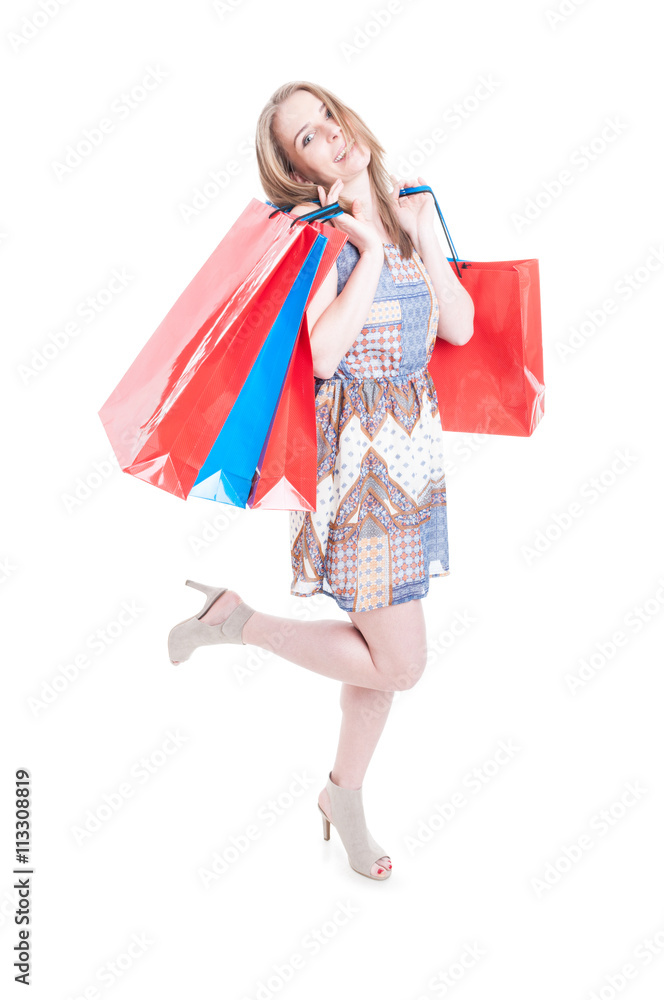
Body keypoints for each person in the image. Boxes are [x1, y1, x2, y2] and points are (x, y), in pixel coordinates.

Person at [168, 81, 474, 881]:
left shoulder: (408, 208)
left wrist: (412, 237)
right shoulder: (321, 241)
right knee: (402, 665)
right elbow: (327, 357)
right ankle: (237, 622)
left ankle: (347, 797)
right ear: (299, 171)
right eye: (307, 138)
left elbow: (461, 325)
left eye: (327, 119)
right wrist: (368, 249)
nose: (330, 137)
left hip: (414, 467)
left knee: (375, 662)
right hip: (359, 476)